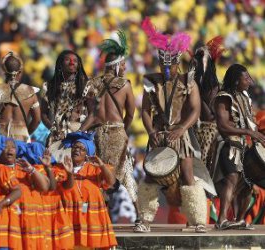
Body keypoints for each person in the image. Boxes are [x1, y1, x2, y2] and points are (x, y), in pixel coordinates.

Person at [137, 17, 207, 233]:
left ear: (178, 62)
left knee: (187, 175)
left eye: (171, 64)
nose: (167, 68)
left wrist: (182, 128)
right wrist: (151, 132)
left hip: (181, 135)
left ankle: (197, 220)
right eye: (163, 64)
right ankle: (144, 219)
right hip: (159, 134)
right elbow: (145, 111)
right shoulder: (151, 81)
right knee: (151, 175)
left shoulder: (189, 81)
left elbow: (196, 110)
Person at [80, 30, 137, 211]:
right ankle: (140, 216)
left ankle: (99, 215)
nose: (125, 67)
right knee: (125, 173)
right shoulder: (125, 85)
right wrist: (123, 130)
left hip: (98, 133)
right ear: (116, 65)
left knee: (99, 174)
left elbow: (90, 114)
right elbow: (130, 113)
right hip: (117, 132)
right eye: (123, 63)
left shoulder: (92, 84)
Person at [212, 64, 265, 230]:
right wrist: (248, 131)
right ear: (236, 81)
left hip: (244, 145)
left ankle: (240, 219)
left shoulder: (245, 97)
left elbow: (250, 122)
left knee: (249, 182)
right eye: (246, 78)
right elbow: (222, 125)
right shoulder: (224, 97)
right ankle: (221, 220)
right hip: (229, 144)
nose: (250, 81)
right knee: (232, 179)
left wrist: (257, 137)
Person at [60, 132, 117, 248]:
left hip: (91, 218)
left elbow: (111, 182)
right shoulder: (61, 168)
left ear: (87, 154)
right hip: (69, 216)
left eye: (82, 149)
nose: (77, 150)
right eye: (75, 147)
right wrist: (69, 172)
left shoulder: (93, 169)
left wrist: (101, 166)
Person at [0, 138, 50, 249]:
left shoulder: (25, 168)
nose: (9, 149)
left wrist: (31, 170)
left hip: (28, 224)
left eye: (12, 147)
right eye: (5, 147)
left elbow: (45, 187)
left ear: (17, 151)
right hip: (5, 224)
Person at [190, 36, 224, 171]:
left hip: (210, 133)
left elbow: (213, 117)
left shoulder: (215, 87)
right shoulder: (190, 84)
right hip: (191, 131)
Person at [41, 50, 89, 146]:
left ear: (79, 65)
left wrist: (80, 132)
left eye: (75, 61)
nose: (72, 63)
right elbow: (43, 113)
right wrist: (53, 129)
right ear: (60, 64)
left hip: (78, 138)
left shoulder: (86, 85)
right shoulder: (49, 86)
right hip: (56, 137)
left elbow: (93, 113)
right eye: (67, 60)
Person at [0, 51, 41, 141]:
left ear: (4, 71)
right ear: (20, 72)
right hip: (21, 137)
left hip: (0, 137)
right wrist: (26, 133)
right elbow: (37, 120)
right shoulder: (30, 92)